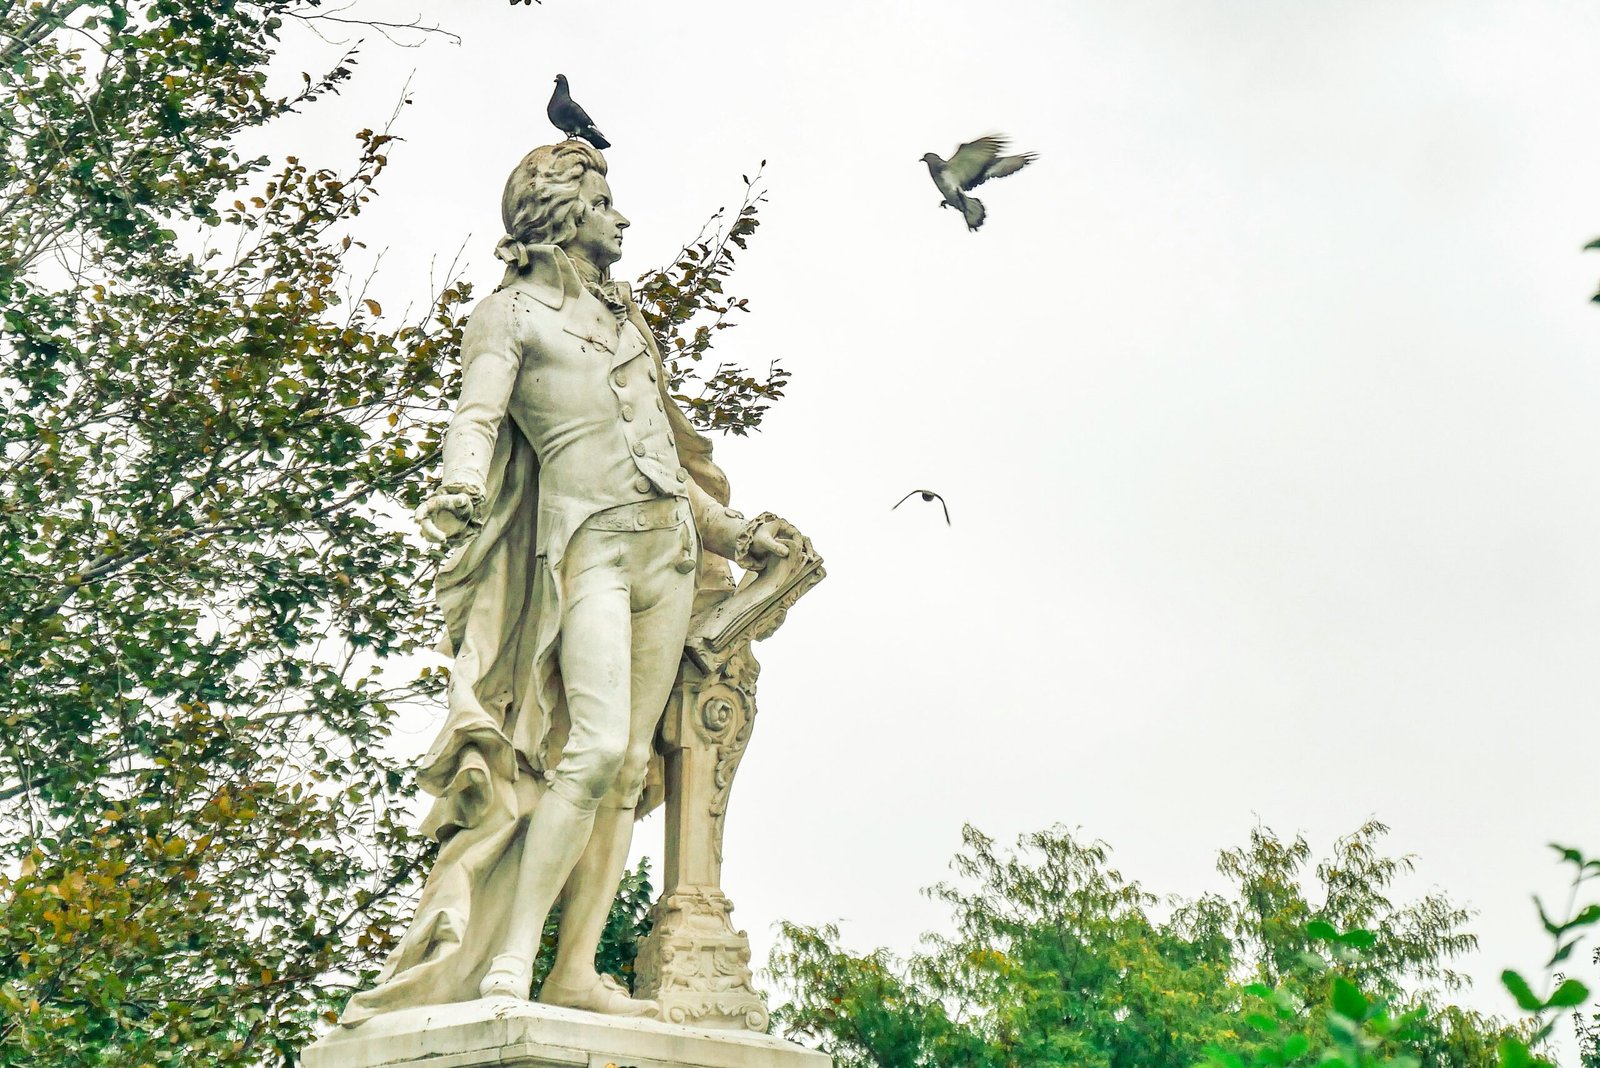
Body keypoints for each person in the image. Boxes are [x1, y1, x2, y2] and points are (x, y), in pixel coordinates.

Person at [340, 140, 790, 1024]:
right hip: (589, 552)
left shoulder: (626, 322)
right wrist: (459, 487)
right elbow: (476, 415)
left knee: (627, 767)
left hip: (669, 554)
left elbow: (663, 460)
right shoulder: (507, 314)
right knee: (590, 750)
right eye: (605, 201)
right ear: (563, 212)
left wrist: (737, 531)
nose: (621, 218)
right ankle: (512, 957)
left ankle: (574, 973)